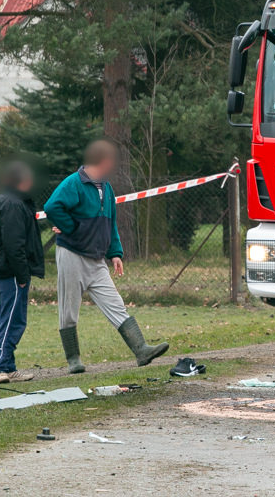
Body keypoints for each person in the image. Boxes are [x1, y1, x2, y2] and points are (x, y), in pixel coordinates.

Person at [44, 139, 168, 373]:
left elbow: (110, 223)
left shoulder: (107, 188)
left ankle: (141, 349)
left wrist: (115, 253)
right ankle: (74, 360)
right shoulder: (74, 183)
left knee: (116, 303)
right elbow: (52, 207)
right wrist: (72, 228)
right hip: (71, 255)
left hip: (97, 260)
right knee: (69, 310)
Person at [0, 161, 44, 384]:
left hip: (9, 272)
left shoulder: (12, 201)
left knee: (15, 319)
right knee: (10, 320)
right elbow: (14, 244)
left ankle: (8, 366)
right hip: (10, 273)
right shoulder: (12, 204)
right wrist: (22, 275)